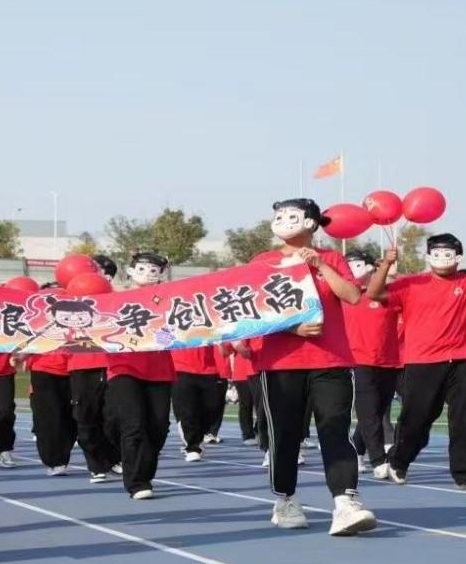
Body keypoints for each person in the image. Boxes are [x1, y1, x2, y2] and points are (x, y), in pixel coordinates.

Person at [245, 198, 376, 536]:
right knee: (285, 433)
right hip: (280, 363)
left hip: (330, 360)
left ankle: (345, 502)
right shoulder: (262, 262)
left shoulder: (331, 258)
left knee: (334, 428)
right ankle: (285, 499)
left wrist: (320, 266)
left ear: (311, 223)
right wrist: (294, 329)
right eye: (279, 215)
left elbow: (352, 295)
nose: (284, 220)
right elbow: (253, 310)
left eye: (292, 215)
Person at [367, 226, 466, 492]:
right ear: (429, 256)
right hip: (423, 362)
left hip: (463, 361)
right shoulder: (412, 283)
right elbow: (374, 294)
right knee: (417, 418)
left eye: (448, 253)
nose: (442, 257)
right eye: (437, 253)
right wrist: (386, 265)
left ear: (458, 257)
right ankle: (399, 460)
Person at [106, 252, 175, 500]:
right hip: (123, 367)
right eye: (142, 269)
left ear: (162, 274)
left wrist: (166, 334)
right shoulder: (115, 299)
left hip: (159, 369)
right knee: (133, 424)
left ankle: (143, 472)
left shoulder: (169, 300)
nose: (147, 274)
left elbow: (176, 331)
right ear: (131, 271)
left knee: (158, 427)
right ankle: (137, 482)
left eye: (154, 270)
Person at [342, 249, 400, 481]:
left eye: (356, 264)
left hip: (389, 361)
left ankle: (357, 450)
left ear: (369, 267)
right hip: (358, 361)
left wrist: (390, 272)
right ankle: (379, 460)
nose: (351, 269)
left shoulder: (388, 294)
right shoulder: (344, 295)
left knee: (377, 411)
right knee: (368, 412)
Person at [68, 255, 122, 484]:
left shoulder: (115, 299)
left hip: (111, 364)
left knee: (113, 415)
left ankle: (114, 457)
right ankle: (96, 465)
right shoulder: (63, 303)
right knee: (85, 416)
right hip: (80, 366)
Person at [28, 350, 77, 476]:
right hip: (43, 368)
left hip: (73, 367)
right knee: (49, 417)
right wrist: (22, 354)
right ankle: (55, 461)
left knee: (71, 418)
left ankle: (61, 458)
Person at [171, 343, 222, 462]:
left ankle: (197, 438)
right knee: (188, 411)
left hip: (209, 368)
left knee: (213, 407)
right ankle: (192, 448)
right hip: (181, 368)